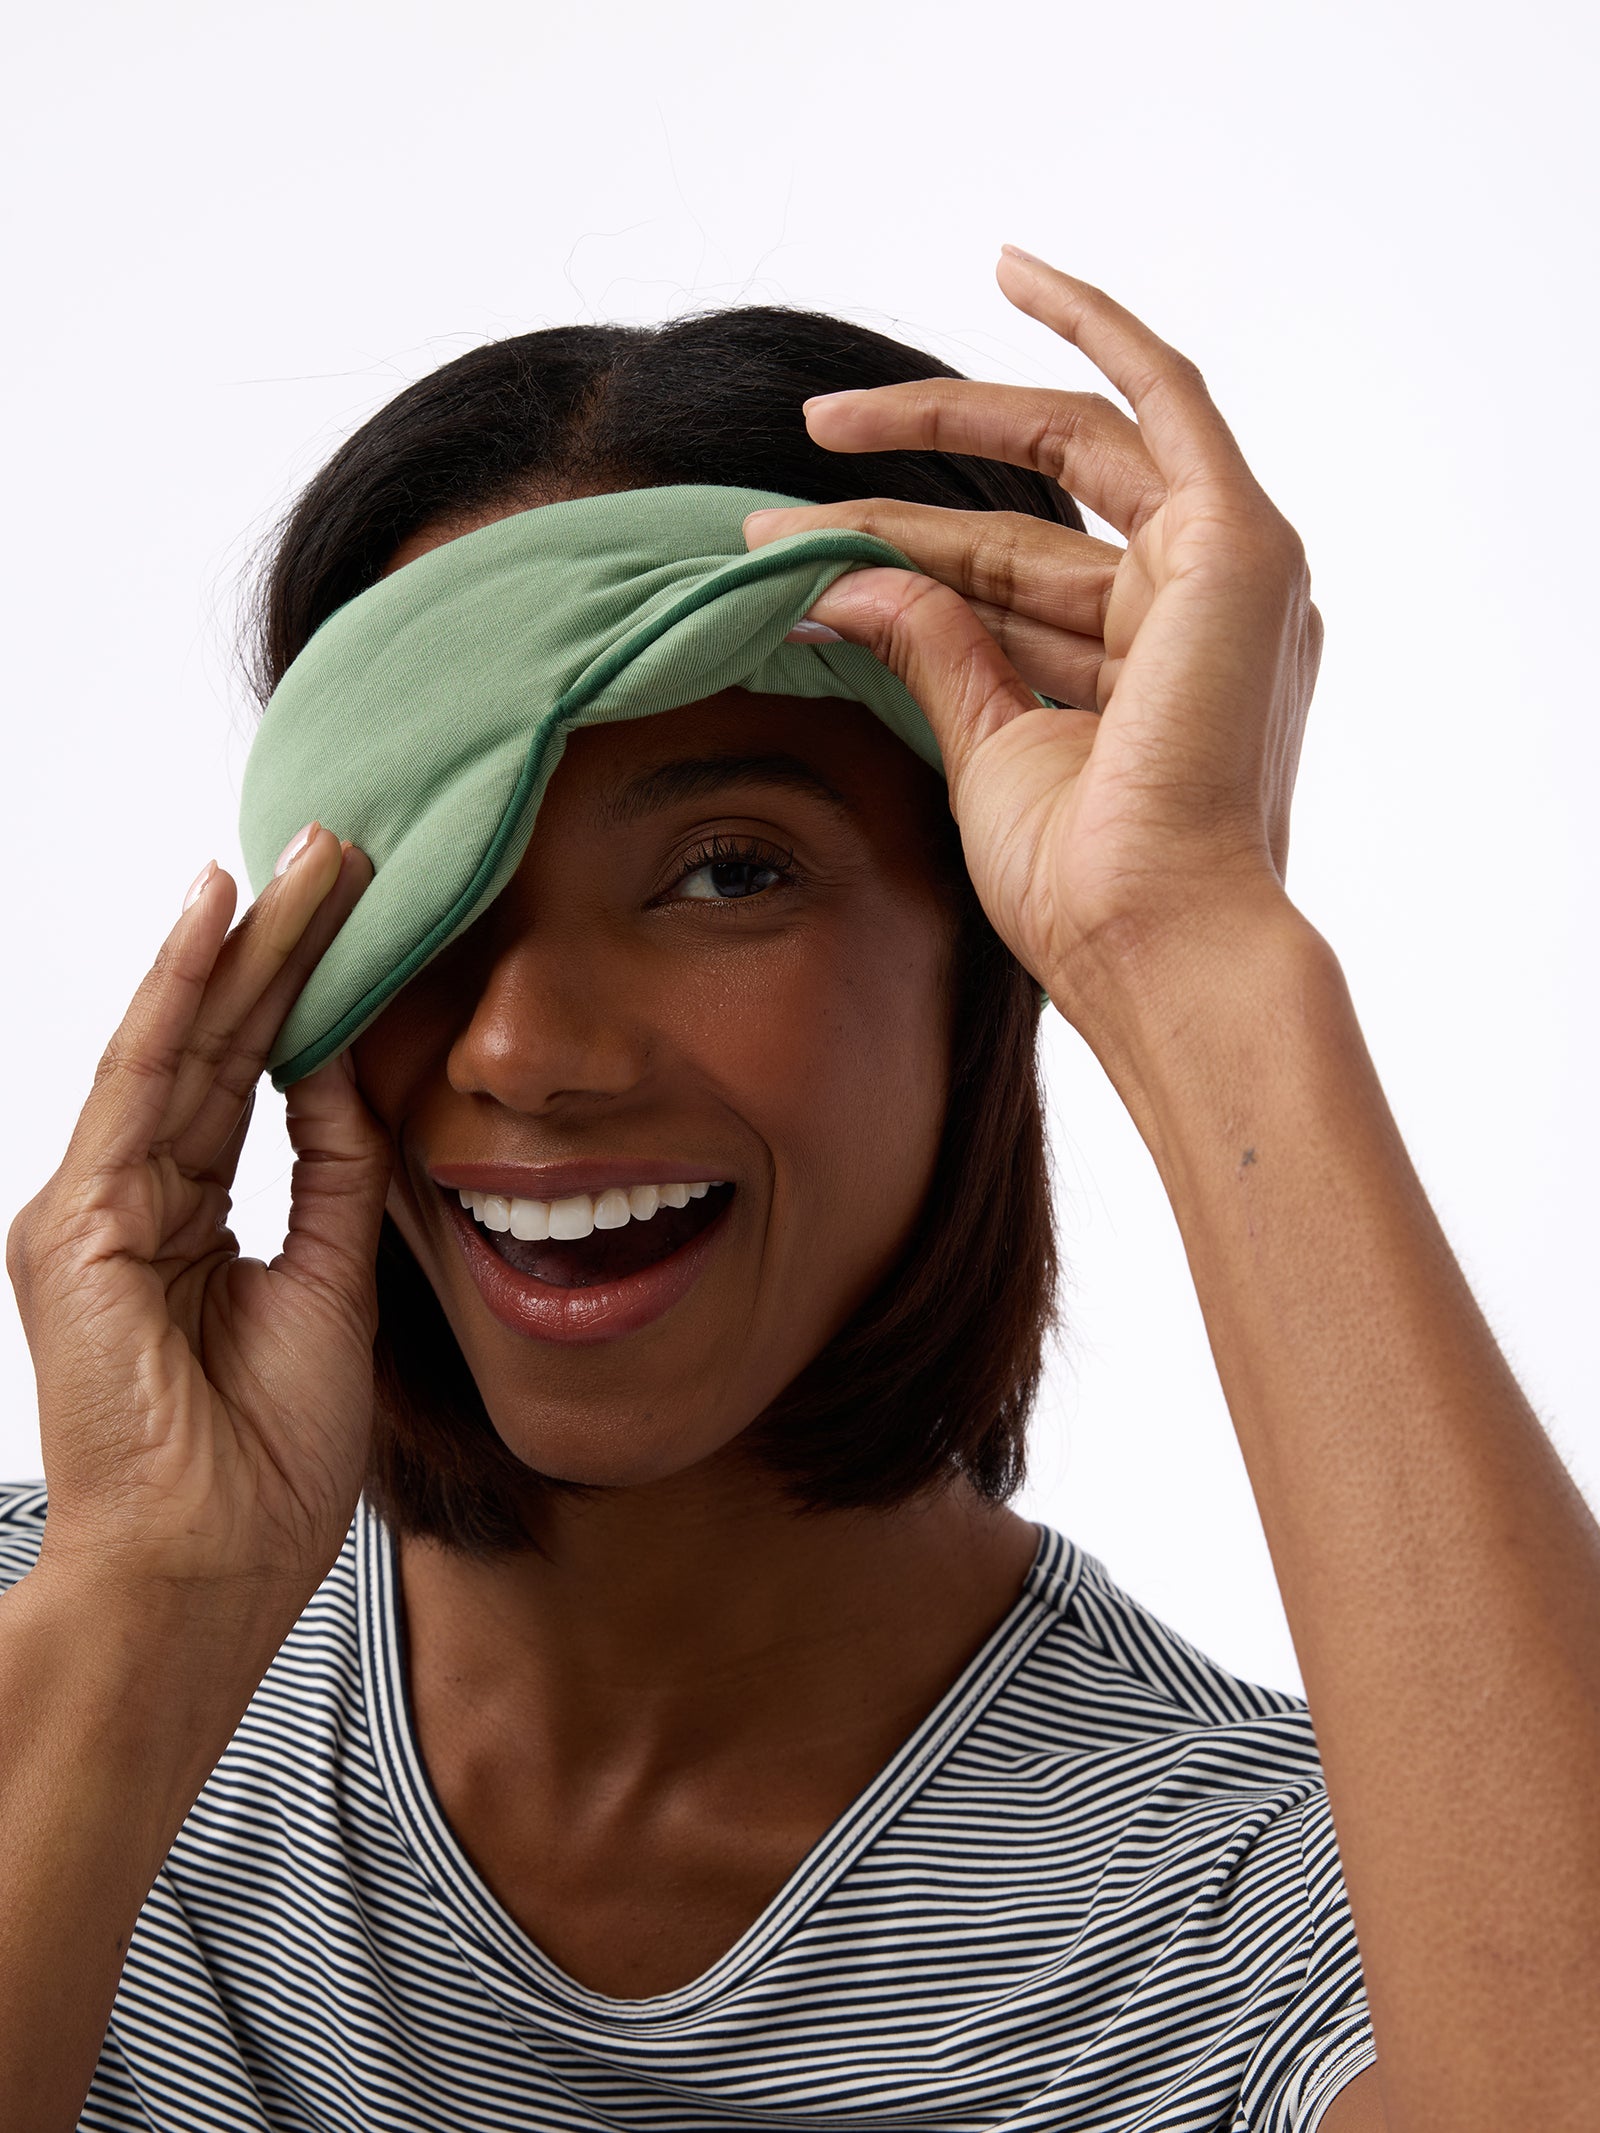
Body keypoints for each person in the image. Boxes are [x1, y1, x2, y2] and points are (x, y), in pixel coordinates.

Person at [2, 247, 1595, 2133]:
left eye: (731, 871)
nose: (521, 1046)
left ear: (991, 951)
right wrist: (138, 1625)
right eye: (437, 881)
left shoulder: (1297, 1913)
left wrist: (1202, 957)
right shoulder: (56, 1641)